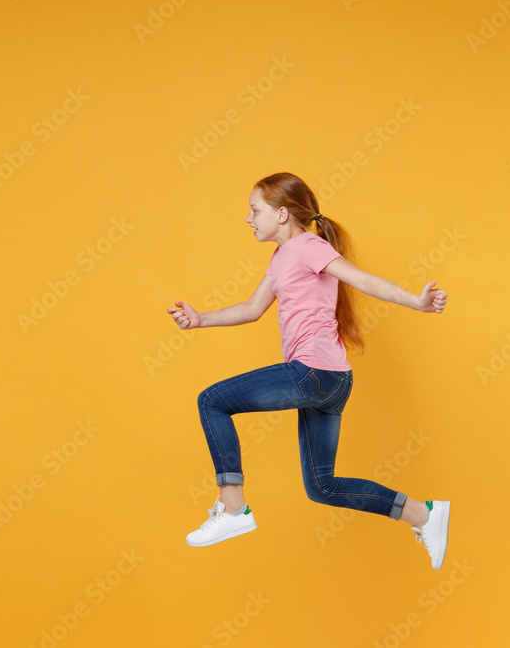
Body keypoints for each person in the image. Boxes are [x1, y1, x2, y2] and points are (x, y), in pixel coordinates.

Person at [167, 172, 451, 570]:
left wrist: (415, 301)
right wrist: (201, 319)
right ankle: (423, 515)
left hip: (313, 374)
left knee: (212, 400)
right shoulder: (283, 256)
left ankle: (233, 509)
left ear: (282, 214)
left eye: (255, 210)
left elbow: (362, 279)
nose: (248, 218)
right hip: (331, 380)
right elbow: (252, 309)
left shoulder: (308, 247)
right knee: (321, 486)